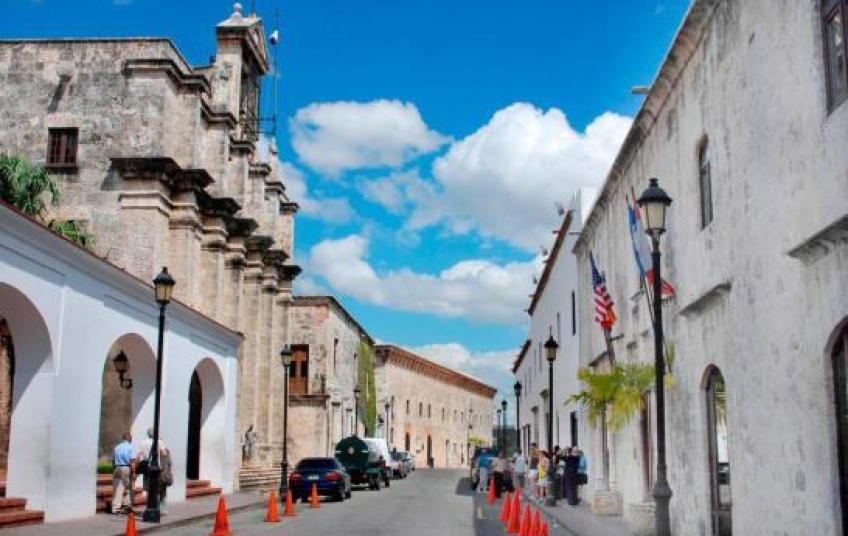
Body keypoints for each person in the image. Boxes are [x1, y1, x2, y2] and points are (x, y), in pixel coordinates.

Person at [111, 432, 137, 515]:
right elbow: (132, 461)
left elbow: (113, 460)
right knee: (129, 487)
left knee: (117, 488)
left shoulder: (117, 447)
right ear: (130, 439)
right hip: (126, 468)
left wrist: (114, 469)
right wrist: (134, 472)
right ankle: (126, 505)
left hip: (117, 467)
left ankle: (115, 507)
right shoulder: (130, 447)